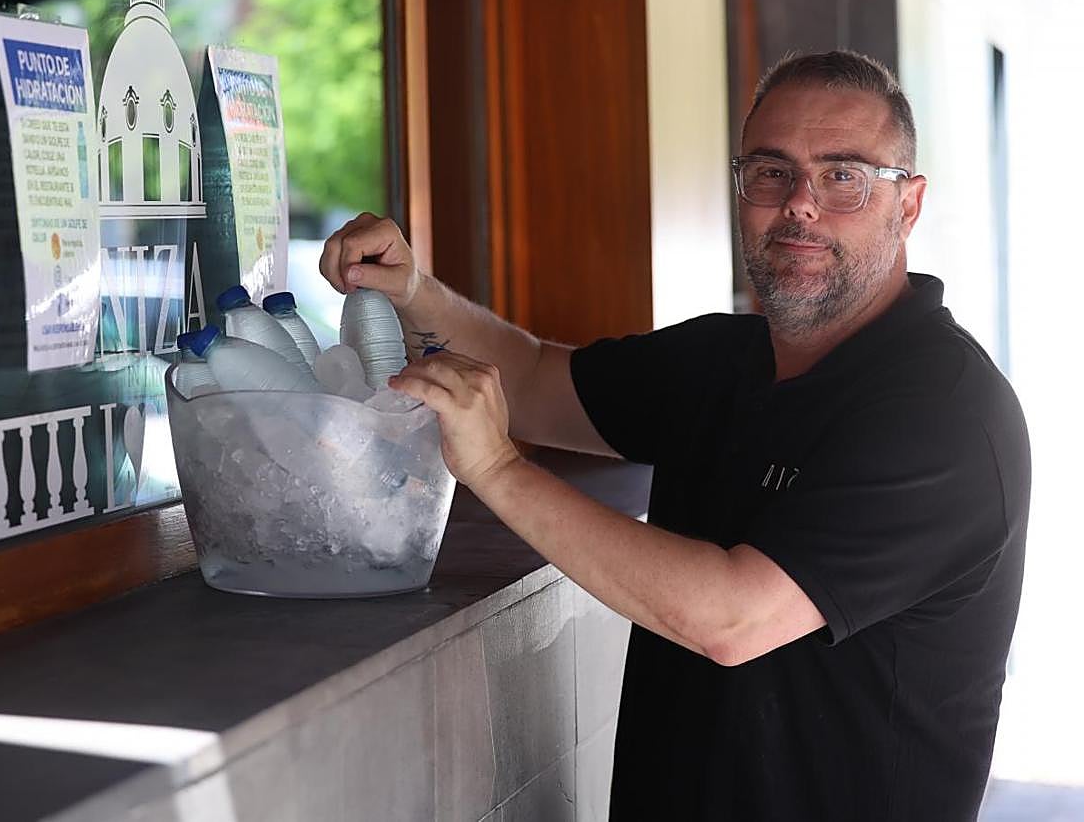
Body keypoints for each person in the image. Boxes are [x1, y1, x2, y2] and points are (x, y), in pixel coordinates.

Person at [319, 50, 1030, 822]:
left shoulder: (946, 413)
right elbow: (530, 380)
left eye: (843, 176)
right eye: (771, 171)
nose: (799, 204)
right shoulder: (724, 360)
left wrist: (495, 466)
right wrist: (415, 291)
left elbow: (731, 618)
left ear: (909, 204)